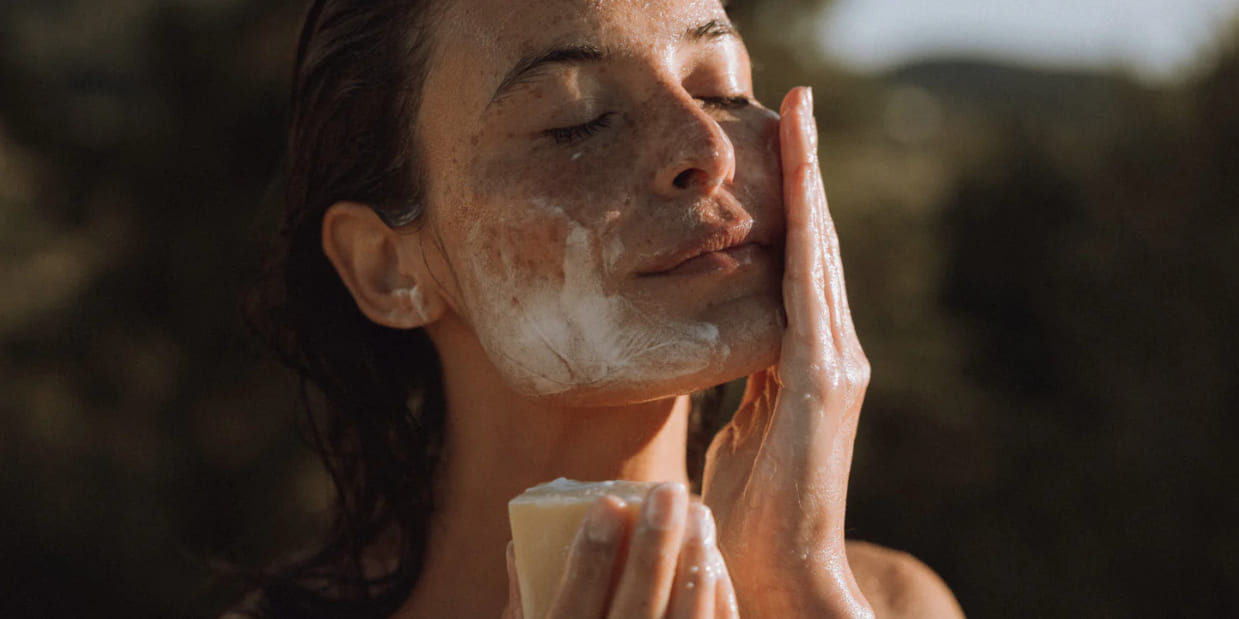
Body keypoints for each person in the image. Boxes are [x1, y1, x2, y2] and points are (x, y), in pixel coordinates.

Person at [240, 0, 966, 617]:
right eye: (577, 119)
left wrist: (799, 586)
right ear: (387, 267)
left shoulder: (885, 601)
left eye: (721, 88)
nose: (707, 145)